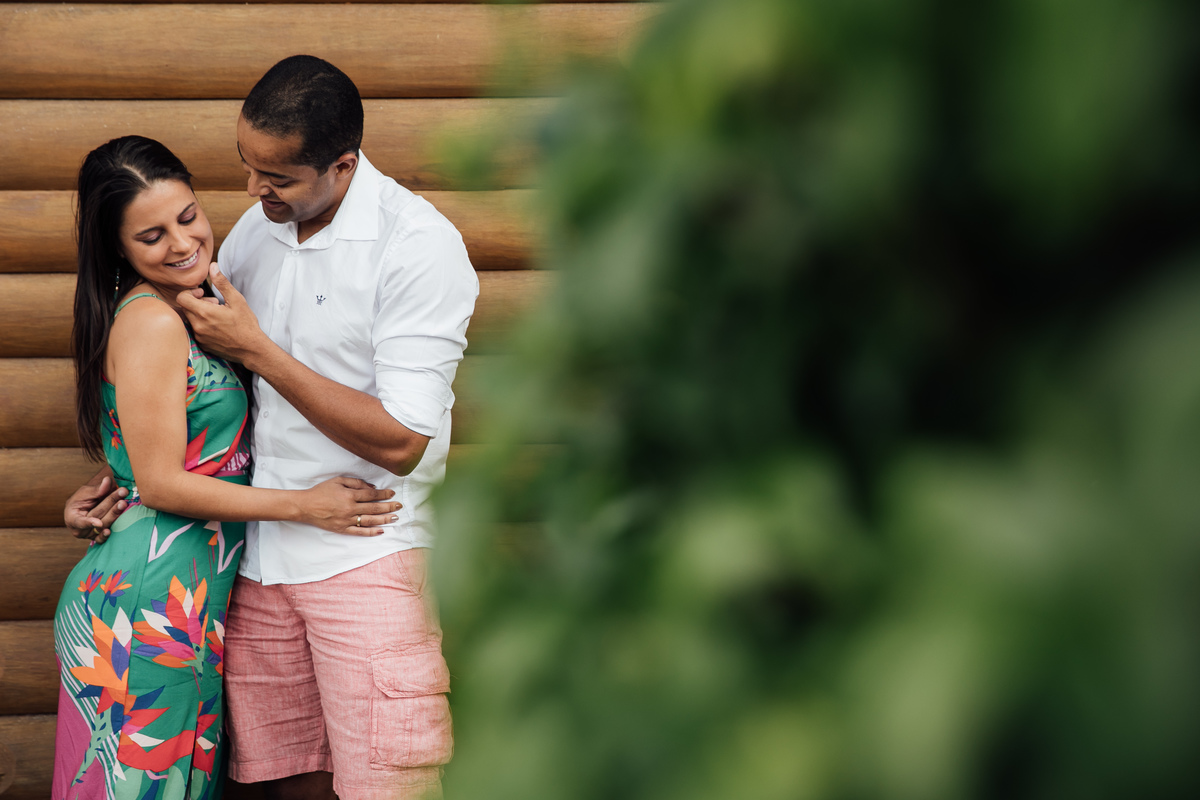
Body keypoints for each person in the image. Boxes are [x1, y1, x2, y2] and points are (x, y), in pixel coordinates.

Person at [54, 135, 403, 800]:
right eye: (151, 235)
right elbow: (159, 484)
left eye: (188, 217)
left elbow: (155, 461)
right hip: (145, 608)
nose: (183, 243)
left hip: (186, 603)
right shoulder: (152, 321)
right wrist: (309, 504)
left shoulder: (200, 306)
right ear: (119, 250)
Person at [176, 56, 476, 800]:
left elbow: (404, 440)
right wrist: (134, 466)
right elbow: (208, 377)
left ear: (343, 165)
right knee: (284, 784)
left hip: (367, 558)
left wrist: (257, 350)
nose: (253, 190)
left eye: (275, 177)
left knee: (388, 785)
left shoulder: (416, 248)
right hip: (259, 562)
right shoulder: (257, 228)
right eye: (246, 167)